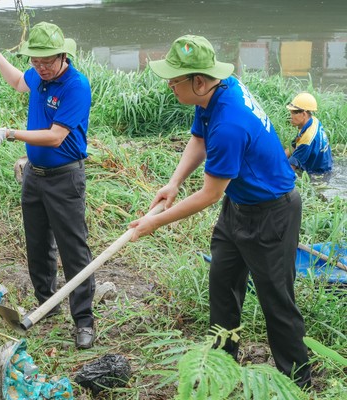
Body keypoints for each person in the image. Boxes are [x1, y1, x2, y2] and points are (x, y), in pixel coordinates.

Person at [130, 35, 311, 388]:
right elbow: (199, 137)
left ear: (198, 81)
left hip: (272, 213)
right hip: (238, 207)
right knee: (223, 287)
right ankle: (220, 367)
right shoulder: (217, 89)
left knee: (277, 301)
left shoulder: (230, 123)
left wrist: (155, 222)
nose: (169, 85)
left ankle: (297, 383)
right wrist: (174, 182)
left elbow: (209, 194)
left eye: (174, 79)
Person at [0, 22, 95, 349]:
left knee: (74, 250)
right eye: (35, 62)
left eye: (47, 62)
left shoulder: (75, 86)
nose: (40, 68)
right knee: (38, 245)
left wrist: (11, 133)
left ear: (63, 56)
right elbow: (17, 81)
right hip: (34, 176)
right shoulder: (39, 78)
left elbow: (56, 136)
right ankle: (47, 303)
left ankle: (83, 320)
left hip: (65, 178)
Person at [285, 92, 333, 175]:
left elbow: (290, 168)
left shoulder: (307, 139)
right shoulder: (313, 121)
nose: (290, 116)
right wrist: (278, 159)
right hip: (326, 163)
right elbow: (293, 146)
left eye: (293, 113)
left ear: (304, 114)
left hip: (318, 173)